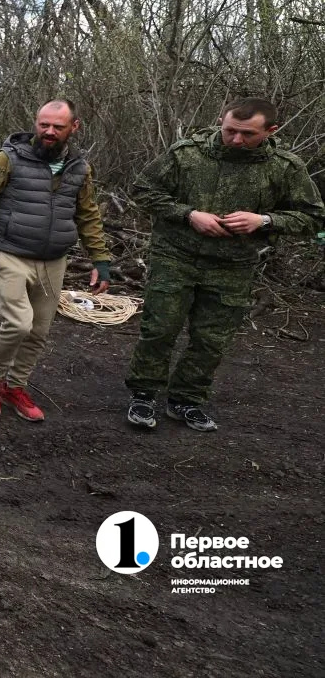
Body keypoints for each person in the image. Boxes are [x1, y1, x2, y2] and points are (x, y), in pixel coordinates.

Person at [124, 99, 324, 432]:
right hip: (176, 255)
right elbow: (143, 190)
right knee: (160, 328)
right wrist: (188, 215)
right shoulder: (188, 154)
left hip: (233, 265)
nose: (236, 140)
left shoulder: (284, 167)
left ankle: (186, 400)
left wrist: (264, 220)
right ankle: (143, 394)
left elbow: (313, 216)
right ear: (221, 120)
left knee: (212, 338)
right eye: (230, 130)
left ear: (270, 131)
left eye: (248, 134)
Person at [0, 100, 112, 422]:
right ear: (36, 123)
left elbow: (88, 214)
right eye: (44, 124)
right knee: (19, 323)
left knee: (39, 330)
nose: (49, 131)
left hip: (53, 260)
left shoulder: (80, 168)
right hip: (10, 252)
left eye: (58, 126)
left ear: (74, 127)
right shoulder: (9, 158)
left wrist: (100, 260)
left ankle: (14, 386)